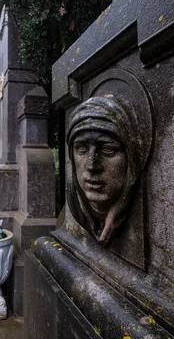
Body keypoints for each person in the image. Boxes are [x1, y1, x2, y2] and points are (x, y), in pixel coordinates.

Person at [66, 95, 145, 244]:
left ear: (131, 157)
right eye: (81, 148)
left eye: (108, 149)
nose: (92, 166)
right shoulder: (73, 198)